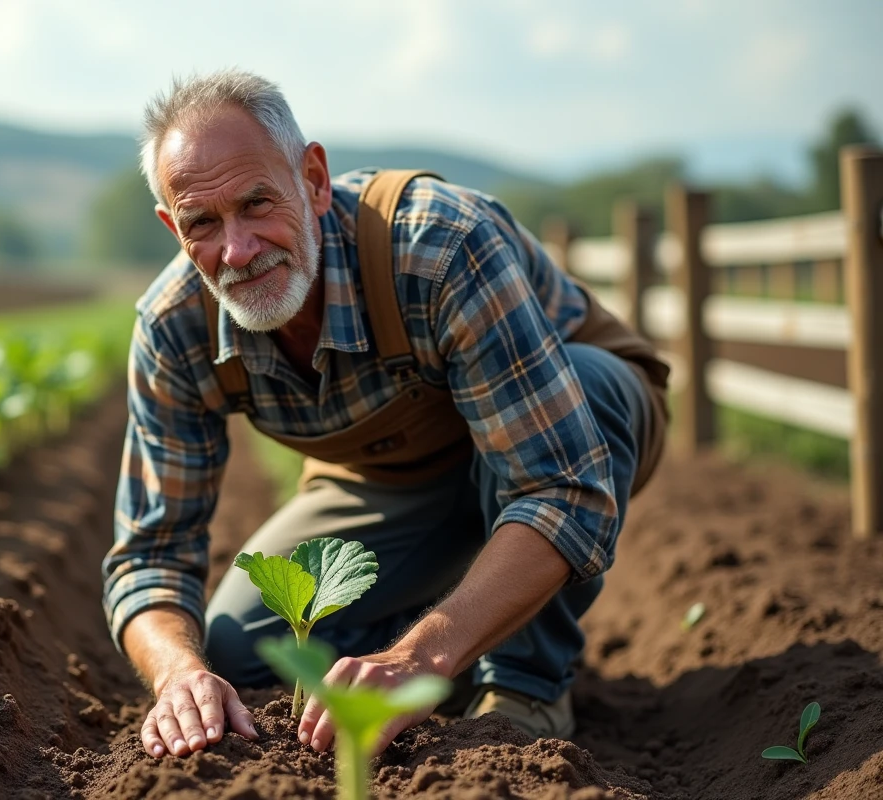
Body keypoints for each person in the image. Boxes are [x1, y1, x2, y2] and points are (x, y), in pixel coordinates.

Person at [101, 68, 670, 761]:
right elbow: (151, 555)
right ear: (172, 226)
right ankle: (457, 638)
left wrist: (418, 658)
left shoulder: (437, 246)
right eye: (203, 223)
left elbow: (559, 486)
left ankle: (523, 685)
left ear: (312, 179)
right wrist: (180, 675)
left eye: (256, 203)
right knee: (243, 650)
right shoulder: (174, 329)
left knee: (587, 383)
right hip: (396, 478)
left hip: (567, 434)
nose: (238, 250)